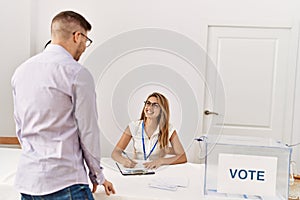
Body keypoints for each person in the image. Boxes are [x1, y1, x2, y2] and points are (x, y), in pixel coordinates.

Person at [11, 11, 115, 199]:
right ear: (77, 36)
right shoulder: (76, 73)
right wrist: (97, 176)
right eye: (86, 40)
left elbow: (20, 128)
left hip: (28, 183)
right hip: (66, 183)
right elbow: (88, 132)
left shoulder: (21, 72)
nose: (84, 47)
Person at [111, 92, 187, 169]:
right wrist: (123, 160)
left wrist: (161, 161)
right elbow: (115, 153)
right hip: (137, 169)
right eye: (148, 103)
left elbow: (182, 157)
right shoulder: (133, 126)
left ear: (162, 110)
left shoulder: (169, 129)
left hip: (157, 171)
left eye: (155, 105)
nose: (150, 107)